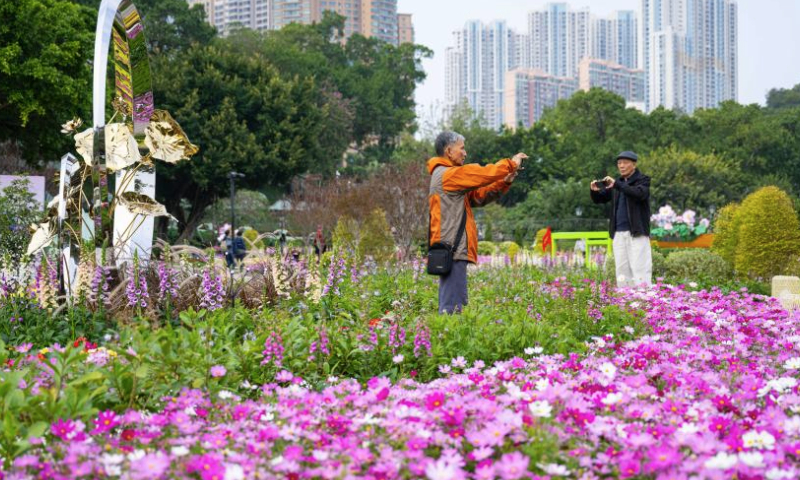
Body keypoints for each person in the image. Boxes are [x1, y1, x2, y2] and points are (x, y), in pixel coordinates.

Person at [428, 131, 526, 314]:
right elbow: (482, 173)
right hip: (453, 249)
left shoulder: (447, 177)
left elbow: (478, 197)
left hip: (449, 249)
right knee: (452, 309)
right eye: (462, 148)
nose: (465, 153)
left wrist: (504, 182)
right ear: (449, 151)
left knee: (454, 302)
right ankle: (447, 338)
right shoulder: (448, 175)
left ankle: (446, 336)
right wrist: (510, 164)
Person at [590, 151, 652, 287]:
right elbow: (601, 198)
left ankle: (645, 300)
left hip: (637, 232)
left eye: (625, 163)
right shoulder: (617, 185)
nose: (621, 166)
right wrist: (594, 191)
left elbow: (639, 194)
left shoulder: (643, 180)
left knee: (640, 268)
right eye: (619, 163)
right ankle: (625, 300)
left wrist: (617, 184)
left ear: (634, 165)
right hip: (618, 232)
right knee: (622, 270)